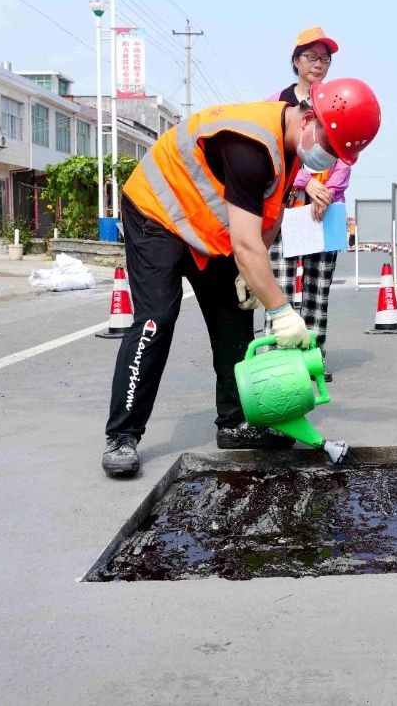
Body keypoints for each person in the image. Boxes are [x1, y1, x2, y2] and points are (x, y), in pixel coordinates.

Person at [100, 78, 382, 478]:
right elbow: (245, 243)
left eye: (338, 154)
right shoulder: (250, 145)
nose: (329, 157)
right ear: (307, 118)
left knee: (233, 318)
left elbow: (269, 214)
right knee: (156, 319)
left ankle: (234, 423)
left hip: (208, 227)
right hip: (157, 215)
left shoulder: (291, 149)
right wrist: (282, 311)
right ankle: (122, 435)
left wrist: (254, 272)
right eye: (329, 146)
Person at [267, 27, 351, 382]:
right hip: (286, 207)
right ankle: (278, 354)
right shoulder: (278, 102)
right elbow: (274, 150)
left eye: (325, 58)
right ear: (296, 61)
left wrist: (327, 191)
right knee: (280, 283)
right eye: (311, 57)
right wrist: (304, 185)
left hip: (326, 207)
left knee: (318, 287)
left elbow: (348, 152)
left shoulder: (337, 100)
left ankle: (314, 356)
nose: (318, 64)